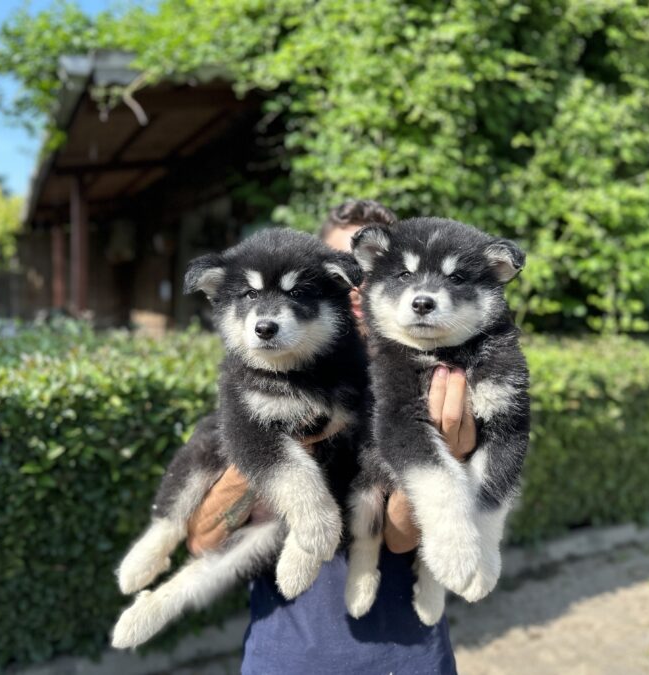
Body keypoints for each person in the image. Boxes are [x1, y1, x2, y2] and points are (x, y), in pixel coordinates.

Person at [186, 200, 476, 674]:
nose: (358, 284)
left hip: (406, 661)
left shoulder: (432, 381)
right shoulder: (257, 376)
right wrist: (267, 448)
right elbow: (203, 541)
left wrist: (446, 453)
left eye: (373, 269)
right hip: (285, 658)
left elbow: (401, 540)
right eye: (344, 269)